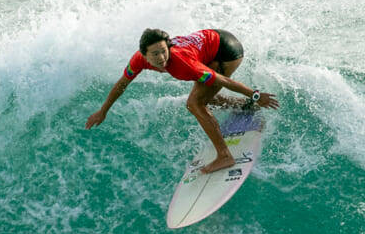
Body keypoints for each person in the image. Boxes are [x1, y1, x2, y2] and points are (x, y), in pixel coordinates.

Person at [85, 28, 278, 173]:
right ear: (143, 55)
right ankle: (244, 106)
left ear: (168, 46)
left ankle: (225, 156)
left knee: (195, 103)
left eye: (163, 51)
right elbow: (122, 84)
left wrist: (255, 94)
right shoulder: (137, 61)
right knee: (204, 98)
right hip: (212, 44)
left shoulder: (182, 64)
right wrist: (103, 111)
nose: (161, 58)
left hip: (226, 51)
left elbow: (223, 80)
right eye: (154, 54)